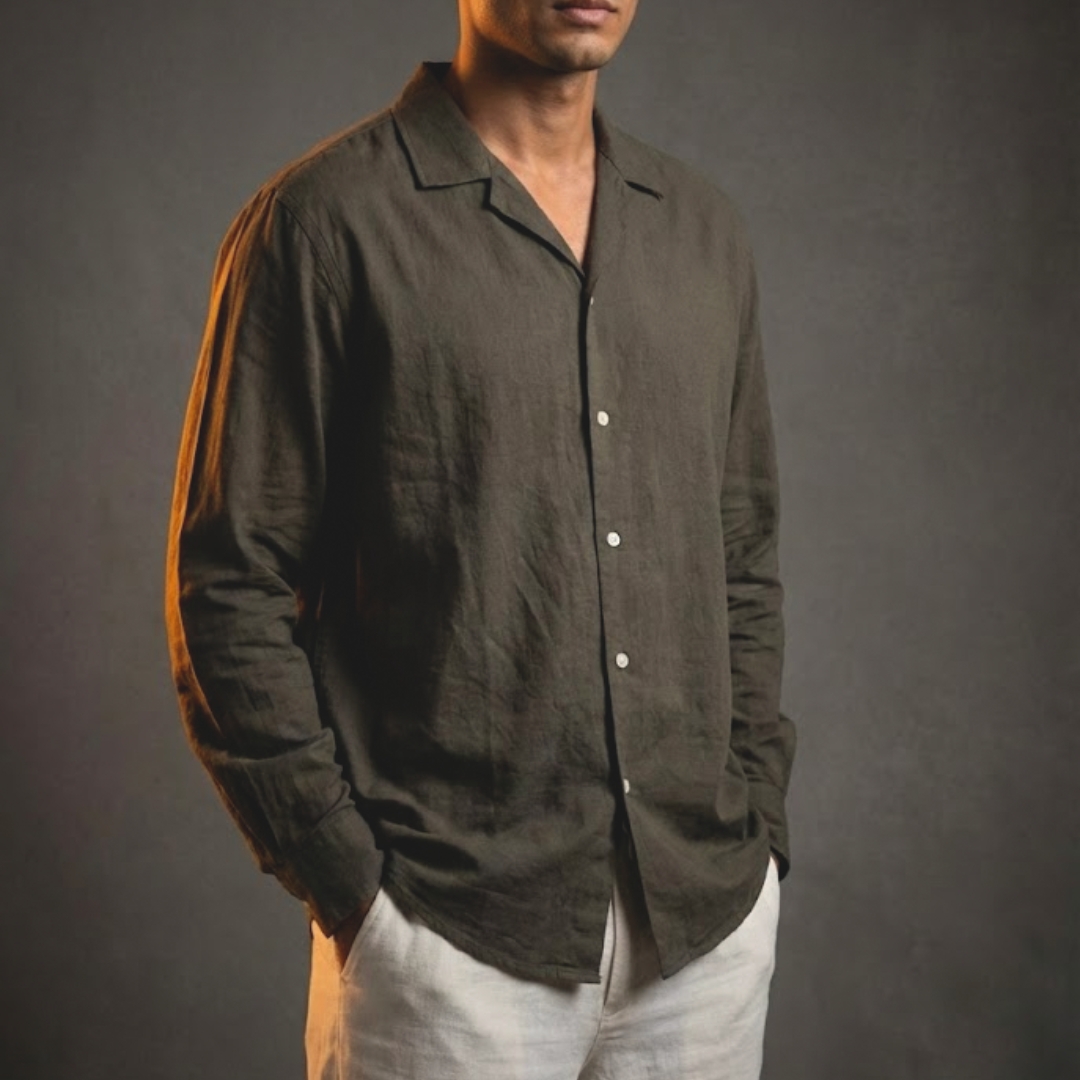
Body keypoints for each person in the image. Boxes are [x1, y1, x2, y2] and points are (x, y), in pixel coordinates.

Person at [165, 1, 797, 1077]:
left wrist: (760, 828)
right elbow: (228, 584)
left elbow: (741, 556)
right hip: (445, 947)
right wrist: (351, 889)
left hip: (704, 937)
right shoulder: (322, 224)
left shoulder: (704, 231)